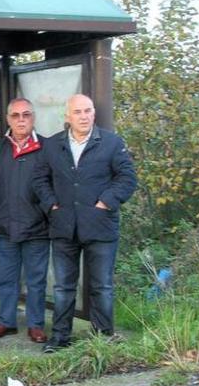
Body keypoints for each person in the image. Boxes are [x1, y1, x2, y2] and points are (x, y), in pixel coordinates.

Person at [32, 94, 137, 353]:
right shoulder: (53, 145)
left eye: (88, 111)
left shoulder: (112, 143)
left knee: (101, 286)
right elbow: (39, 179)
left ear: (94, 113)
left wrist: (105, 202)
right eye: (77, 112)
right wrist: (52, 205)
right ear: (68, 116)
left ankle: (102, 338)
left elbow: (127, 178)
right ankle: (59, 338)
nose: (83, 116)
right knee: (63, 287)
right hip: (63, 226)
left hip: (100, 226)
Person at [0, 98, 50, 343]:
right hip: (4, 226)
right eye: (16, 115)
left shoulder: (47, 147)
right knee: (7, 279)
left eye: (26, 115)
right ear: (8, 119)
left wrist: (46, 212)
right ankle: (6, 322)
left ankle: (36, 325)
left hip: (38, 227)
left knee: (36, 280)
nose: (21, 120)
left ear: (33, 118)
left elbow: (54, 186)